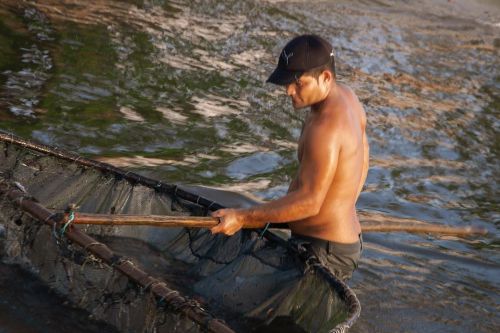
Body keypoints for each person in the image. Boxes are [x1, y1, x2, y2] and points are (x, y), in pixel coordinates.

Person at [211, 34, 369, 281]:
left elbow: (309, 202)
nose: (288, 91)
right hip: (333, 244)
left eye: (298, 83)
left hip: (324, 252)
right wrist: (343, 204)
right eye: (287, 82)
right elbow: (364, 158)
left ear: (325, 77)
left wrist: (241, 217)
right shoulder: (348, 98)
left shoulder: (326, 127)